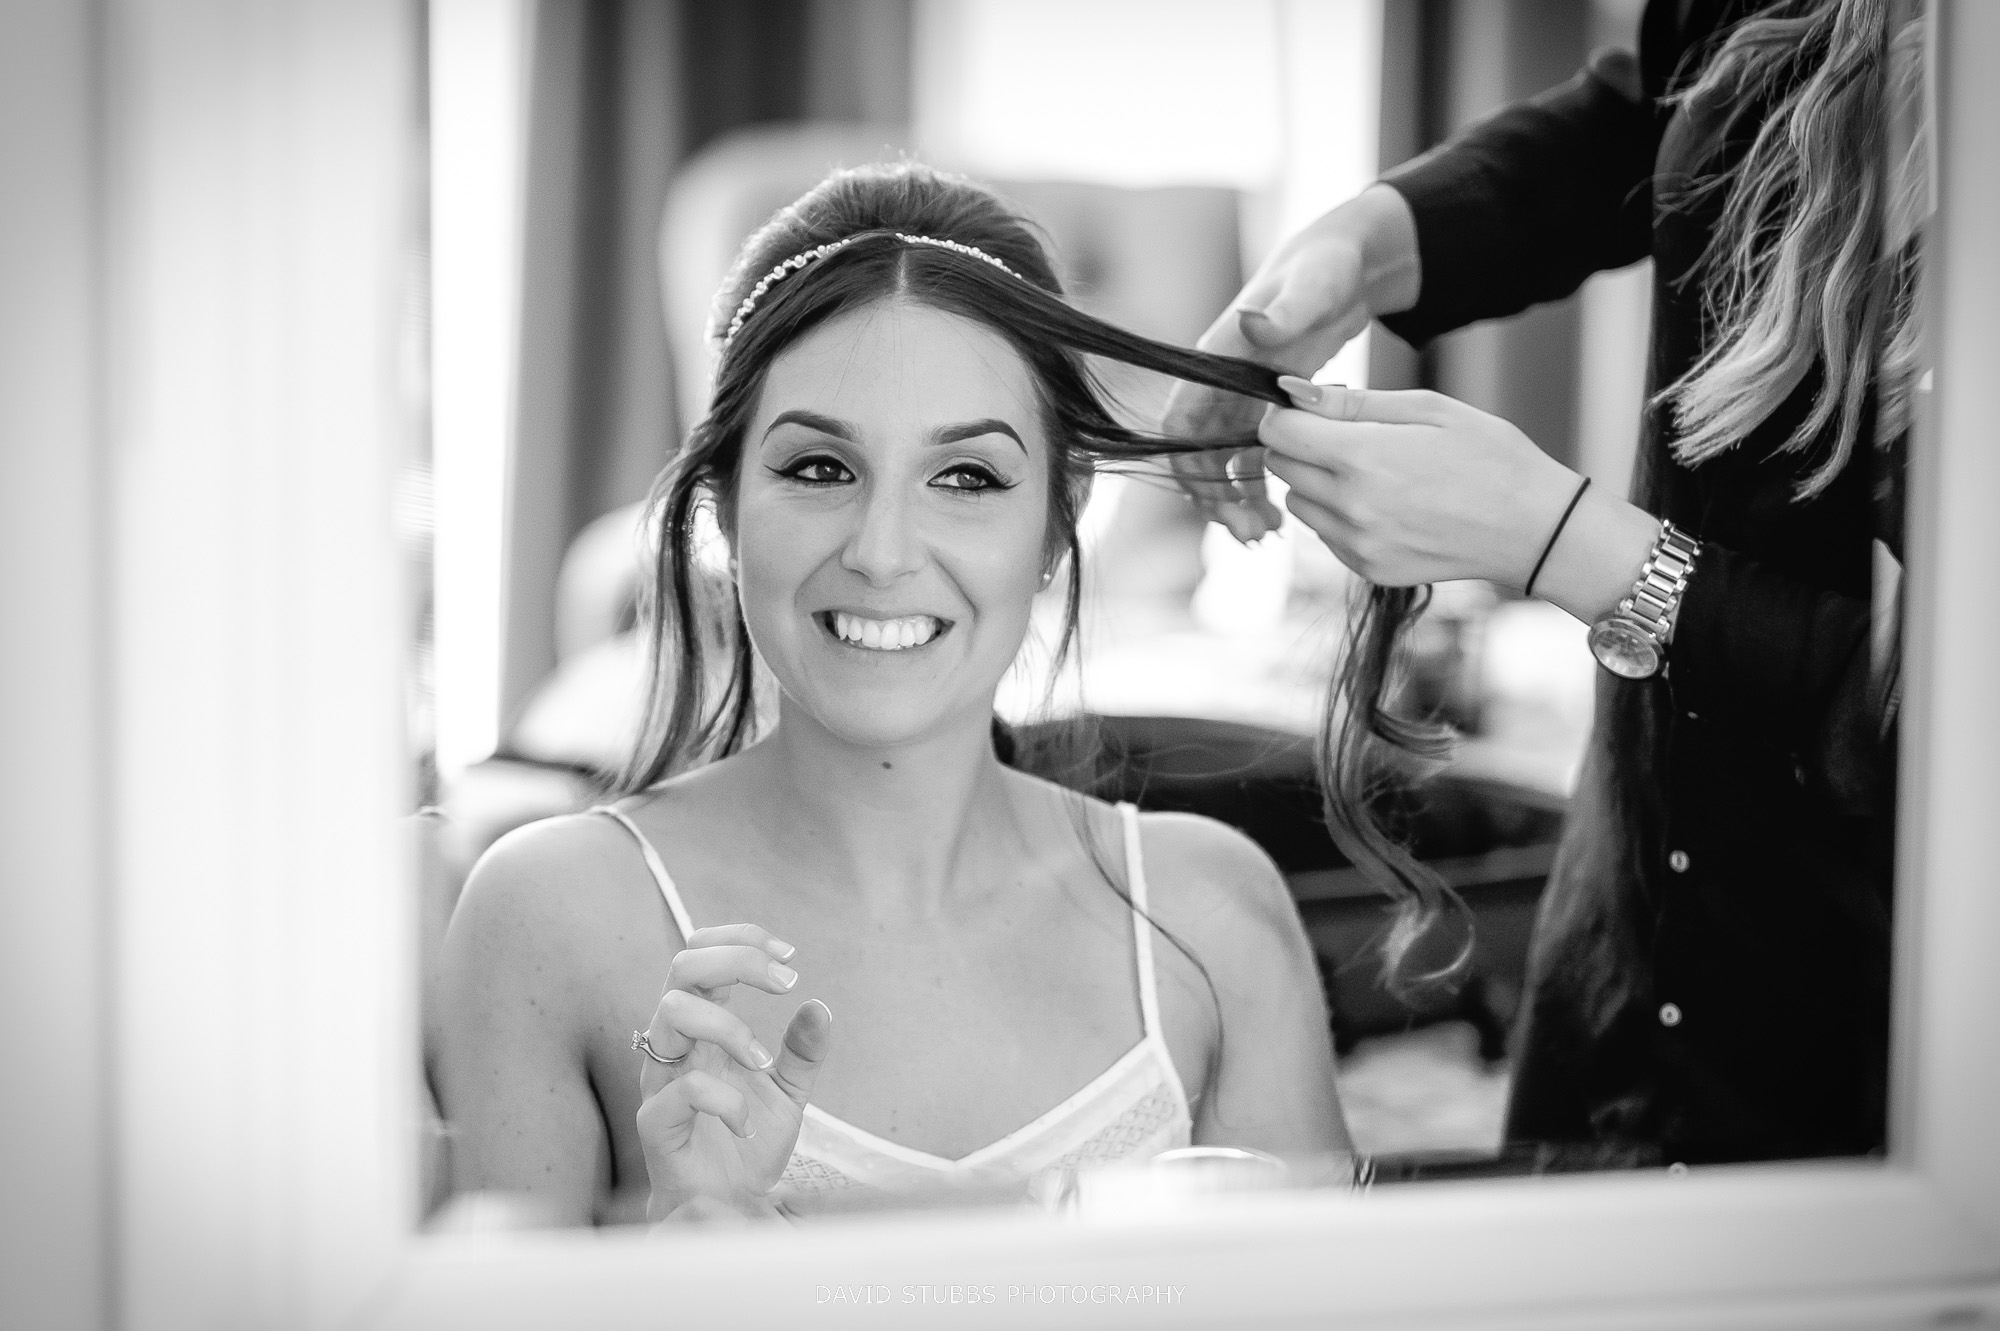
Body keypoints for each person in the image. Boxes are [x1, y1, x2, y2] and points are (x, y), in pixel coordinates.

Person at [429, 163, 1356, 1226]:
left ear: (1059, 518)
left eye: (965, 477)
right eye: (819, 468)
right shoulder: (547, 916)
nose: (881, 552)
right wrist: (689, 1264)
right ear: (726, 506)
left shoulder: (1211, 920)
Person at [1163, 0, 1919, 1166]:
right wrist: (1357, 249)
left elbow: (1938, 721)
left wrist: (1560, 542)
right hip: (1633, 898)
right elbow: (1645, 119)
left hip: (1884, 1022)